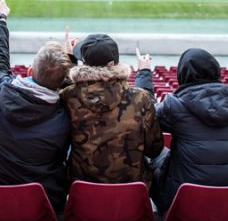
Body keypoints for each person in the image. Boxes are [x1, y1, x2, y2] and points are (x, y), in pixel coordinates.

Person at [0, 0, 73, 212]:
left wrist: (1, 18)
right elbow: (73, 89)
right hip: (41, 204)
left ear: (29, 71)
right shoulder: (66, 114)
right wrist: (71, 60)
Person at [151, 48, 228, 212]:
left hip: (185, 200)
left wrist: (144, 73)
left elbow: (146, 115)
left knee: (153, 158)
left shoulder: (174, 107)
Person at [61, 34, 163, 187]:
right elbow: (154, 150)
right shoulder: (141, 98)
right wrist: (144, 73)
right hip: (132, 191)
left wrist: (69, 59)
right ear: (112, 63)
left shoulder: (68, 96)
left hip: (81, 189)